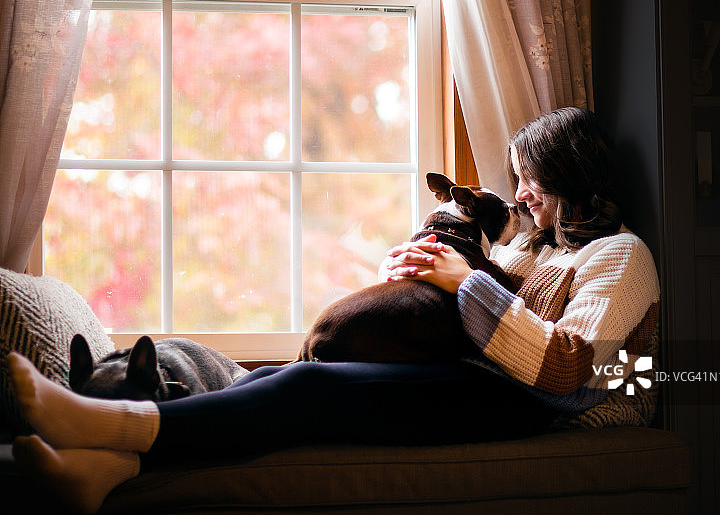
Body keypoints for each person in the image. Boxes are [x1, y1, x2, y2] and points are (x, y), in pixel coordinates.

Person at [7, 106, 659, 514]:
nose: (520, 193)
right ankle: (110, 468)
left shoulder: (622, 256)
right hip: (481, 377)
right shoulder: (533, 248)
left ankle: (111, 423)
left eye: (531, 178)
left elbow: (566, 367)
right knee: (273, 376)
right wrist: (404, 273)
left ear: (569, 174)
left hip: (535, 406)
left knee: (308, 388)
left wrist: (463, 281)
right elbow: (458, 303)